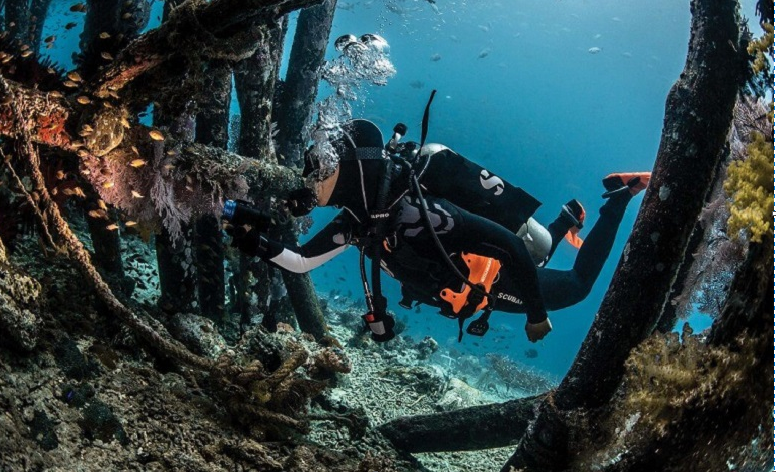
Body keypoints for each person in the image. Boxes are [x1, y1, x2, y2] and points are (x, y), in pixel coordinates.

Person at [226, 119, 650, 344]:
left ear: (351, 168)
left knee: (575, 286)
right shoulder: (358, 220)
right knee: (539, 256)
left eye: (321, 166)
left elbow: (506, 245)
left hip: (495, 276)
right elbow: (301, 262)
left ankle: (618, 199)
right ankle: (564, 220)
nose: (310, 176)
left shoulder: (423, 214)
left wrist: (537, 316)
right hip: (469, 284)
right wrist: (255, 241)